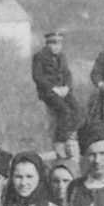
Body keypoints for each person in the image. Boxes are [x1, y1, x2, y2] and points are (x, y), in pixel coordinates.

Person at [31, 32, 81, 160]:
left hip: (63, 90)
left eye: (59, 44)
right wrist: (53, 88)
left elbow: (67, 74)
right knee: (64, 110)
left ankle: (70, 135)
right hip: (48, 92)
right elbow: (38, 77)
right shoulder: (39, 57)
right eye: (53, 43)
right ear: (47, 44)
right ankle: (60, 140)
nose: (57, 47)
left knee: (76, 109)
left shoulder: (62, 57)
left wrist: (67, 87)